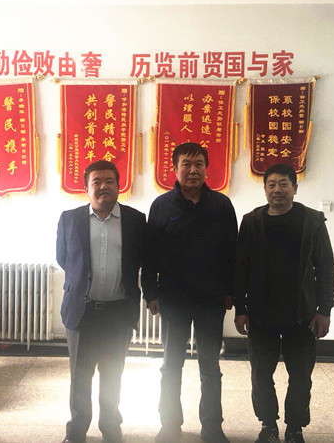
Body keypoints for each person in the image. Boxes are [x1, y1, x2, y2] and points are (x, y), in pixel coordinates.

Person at [142, 142, 237, 443]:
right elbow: (149, 254)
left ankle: (212, 427)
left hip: (211, 299)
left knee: (210, 366)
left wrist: (232, 291)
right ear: (175, 168)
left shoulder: (221, 205)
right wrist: (150, 292)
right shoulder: (161, 206)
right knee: (171, 365)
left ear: (207, 169)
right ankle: (170, 425)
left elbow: (232, 253)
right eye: (186, 164)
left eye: (199, 164)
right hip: (173, 299)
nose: (193, 170)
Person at [233, 163, 334, 443]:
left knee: (301, 375)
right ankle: (268, 424)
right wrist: (241, 308)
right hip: (260, 313)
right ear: (265, 189)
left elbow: (326, 267)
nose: (277, 190)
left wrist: (324, 310)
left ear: (295, 188)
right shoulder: (252, 221)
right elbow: (241, 267)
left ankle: (295, 428)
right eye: (271, 185)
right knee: (261, 374)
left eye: (283, 184)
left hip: (301, 313)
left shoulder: (312, 222)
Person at [56, 160, 146, 443]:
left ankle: (110, 427)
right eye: (97, 182)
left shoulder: (135, 220)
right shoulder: (70, 219)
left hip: (118, 312)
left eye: (110, 181)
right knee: (80, 377)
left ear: (119, 186)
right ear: (86, 188)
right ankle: (77, 431)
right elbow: (64, 258)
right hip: (82, 312)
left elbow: (142, 259)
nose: (103, 186)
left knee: (113, 374)